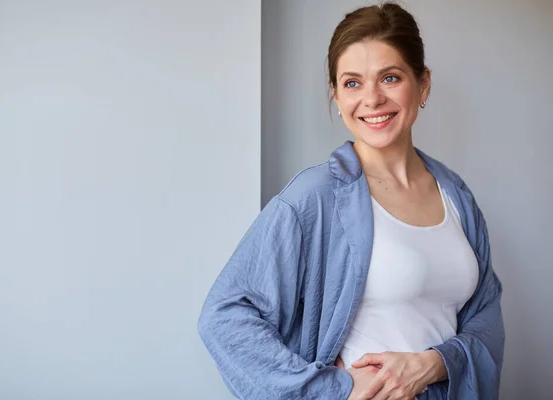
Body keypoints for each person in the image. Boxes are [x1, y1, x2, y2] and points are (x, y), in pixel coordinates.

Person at [198, 3, 504, 399]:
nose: (372, 99)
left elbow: (486, 317)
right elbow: (224, 317)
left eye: (390, 78)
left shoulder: (456, 195)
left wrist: (435, 363)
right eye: (353, 83)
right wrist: (331, 390)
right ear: (337, 97)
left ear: (423, 83)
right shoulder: (315, 196)